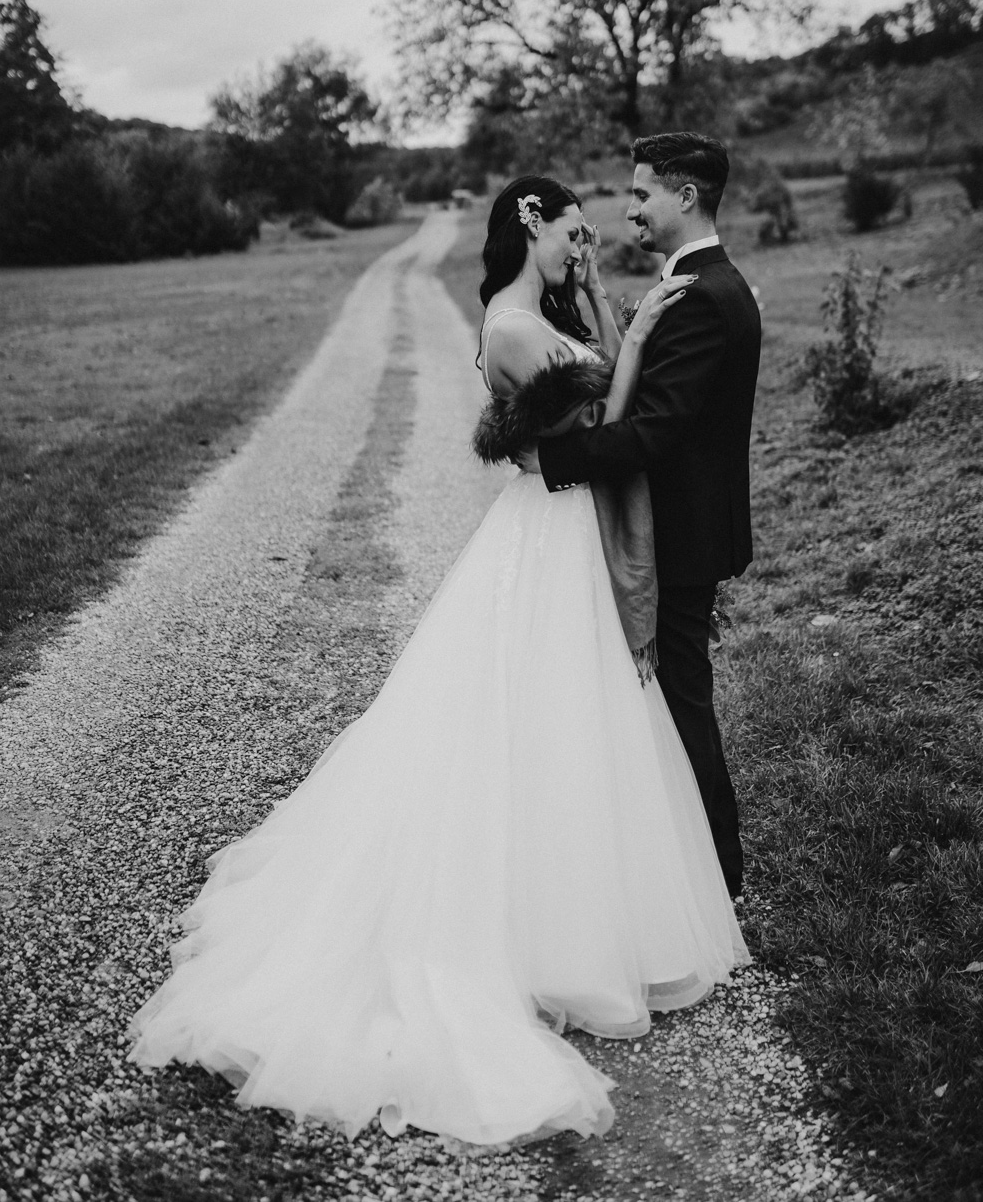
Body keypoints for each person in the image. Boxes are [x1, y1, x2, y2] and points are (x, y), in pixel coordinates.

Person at [128, 174, 748, 1147]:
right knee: (535, 711)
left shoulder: (537, 309)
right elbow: (590, 425)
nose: (583, 247)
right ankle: (524, 929)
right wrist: (626, 340)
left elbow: (583, 407)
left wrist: (596, 309)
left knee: (574, 720)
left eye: (592, 233)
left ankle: (591, 907)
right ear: (531, 221)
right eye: (571, 231)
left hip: (566, 530)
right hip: (543, 538)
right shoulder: (508, 325)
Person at [523, 135, 762, 899]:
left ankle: (714, 874)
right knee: (671, 692)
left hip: (683, 531)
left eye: (642, 193)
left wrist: (549, 463)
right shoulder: (712, 284)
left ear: (684, 197)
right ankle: (684, 864)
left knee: (679, 698)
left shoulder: (699, 298)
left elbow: (654, 431)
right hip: (692, 522)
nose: (629, 208)